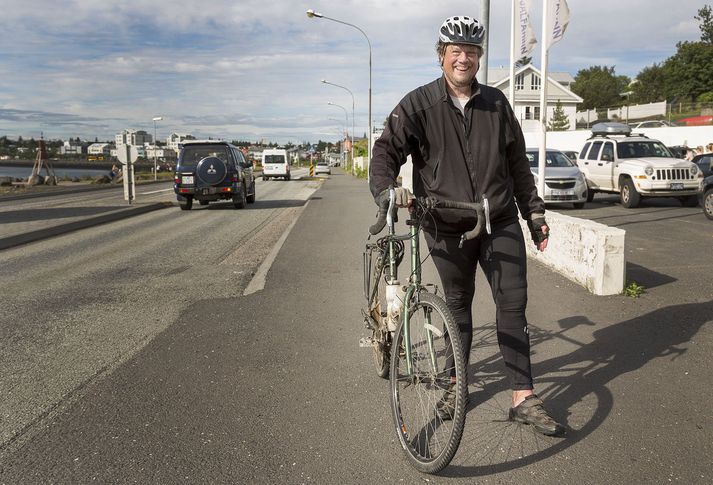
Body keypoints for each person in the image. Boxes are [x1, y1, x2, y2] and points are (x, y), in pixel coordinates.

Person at [369, 15, 564, 436]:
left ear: (478, 58)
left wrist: (535, 213)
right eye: (455, 51)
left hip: (498, 221)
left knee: (512, 304)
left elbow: (517, 165)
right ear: (442, 56)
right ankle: (457, 387)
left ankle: (523, 396)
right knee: (457, 305)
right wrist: (388, 191)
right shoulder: (418, 104)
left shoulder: (497, 103)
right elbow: (385, 152)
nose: (463, 58)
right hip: (445, 224)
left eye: (471, 52)